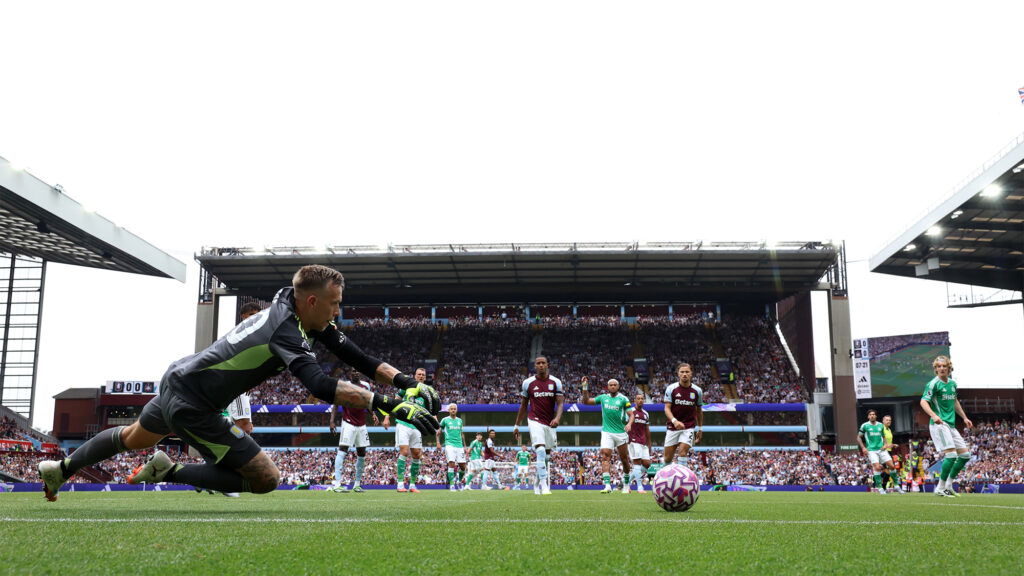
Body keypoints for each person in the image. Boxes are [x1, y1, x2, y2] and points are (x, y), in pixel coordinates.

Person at [37, 265, 440, 502]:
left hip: (179, 377)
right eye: (335, 302)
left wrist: (404, 383)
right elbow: (318, 384)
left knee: (134, 437)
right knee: (266, 480)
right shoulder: (287, 332)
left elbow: (355, 355)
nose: (340, 310)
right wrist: (387, 405)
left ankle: (61, 467)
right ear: (313, 302)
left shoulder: (291, 300)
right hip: (194, 403)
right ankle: (169, 471)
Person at [920, 355, 974, 497]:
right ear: (935, 369)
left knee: (965, 455)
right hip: (939, 424)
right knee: (951, 455)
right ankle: (939, 488)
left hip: (950, 425)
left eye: (944, 366)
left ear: (949, 368)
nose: (942, 368)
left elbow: (955, 401)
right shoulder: (933, 384)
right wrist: (933, 415)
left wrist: (964, 417)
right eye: (939, 366)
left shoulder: (952, 384)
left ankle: (949, 485)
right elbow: (923, 402)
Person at [512, 356, 564, 495]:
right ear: (535, 366)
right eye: (538, 363)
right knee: (540, 451)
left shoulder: (556, 382)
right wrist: (516, 425)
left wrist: (557, 418)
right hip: (534, 420)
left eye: (543, 363)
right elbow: (523, 406)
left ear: (548, 365)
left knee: (546, 457)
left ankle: (536, 482)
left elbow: (560, 403)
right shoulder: (528, 383)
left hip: (550, 423)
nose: (541, 365)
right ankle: (544, 485)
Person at [581, 376, 634, 494]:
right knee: (605, 457)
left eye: (615, 385)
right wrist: (585, 387)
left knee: (624, 460)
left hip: (621, 433)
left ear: (618, 387)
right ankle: (607, 486)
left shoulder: (623, 399)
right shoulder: (603, 398)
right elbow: (586, 401)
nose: (613, 386)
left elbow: (631, 414)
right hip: (607, 432)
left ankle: (626, 484)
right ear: (608, 387)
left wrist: (629, 424)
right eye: (611, 385)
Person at [383, 367, 431, 493]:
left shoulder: (426, 393)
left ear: (425, 377)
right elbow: (394, 402)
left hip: (417, 427)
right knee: (404, 452)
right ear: (415, 376)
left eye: (423, 374)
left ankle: (412, 485)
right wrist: (387, 417)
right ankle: (400, 484)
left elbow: (429, 412)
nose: (421, 376)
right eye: (419, 374)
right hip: (403, 424)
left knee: (417, 454)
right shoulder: (406, 388)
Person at [328, 372, 379, 492]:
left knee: (362, 453)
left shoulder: (366, 386)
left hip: (361, 424)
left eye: (357, 371)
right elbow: (336, 405)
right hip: (348, 423)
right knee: (343, 450)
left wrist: (373, 414)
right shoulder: (344, 386)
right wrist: (332, 421)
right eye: (353, 371)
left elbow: (368, 402)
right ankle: (337, 484)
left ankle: (357, 484)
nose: (355, 373)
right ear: (350, 374)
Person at [662, 363, 703, 469]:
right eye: (682, 372)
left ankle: (682, 480)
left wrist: (700, 427)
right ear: (678, 374)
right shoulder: (671, 389)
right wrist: (675, 421)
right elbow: (667, 408)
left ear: (691, 374)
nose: (684, 374)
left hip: (688, 426)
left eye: (687, 372)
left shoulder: (697, 391)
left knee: (682, 453)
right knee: (667, 459)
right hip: (673, 426)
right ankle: (668, 480)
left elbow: (699, 410)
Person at [857, 409, 903, 494]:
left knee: (892, 466)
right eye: (870, 414)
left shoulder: (880, 425)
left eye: (873, 414)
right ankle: (880, 487)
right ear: (868, 416)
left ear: (876, 416)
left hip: (882, 450)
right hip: (871, 450)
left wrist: (885, 444)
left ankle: (896, 486)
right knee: (877, 467)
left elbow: (883, 436)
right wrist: (863, 447)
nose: (872, 416)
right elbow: (859, 437)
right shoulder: (865, 425)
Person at [436, 403, 467, 492]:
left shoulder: (460, 421)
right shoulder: (445, 420)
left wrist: (465, 446)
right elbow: (438, 432)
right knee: (451, 464)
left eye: (454, 409)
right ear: (449, 410)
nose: (453, 410)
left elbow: (462, 434)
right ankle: (452, 485)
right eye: (451, 409)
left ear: (456, 410)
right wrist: (438, 442)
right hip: (449, 445)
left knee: (463, 467)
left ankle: (459, 482)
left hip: (459, 446)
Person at [627, 392, 652, 493]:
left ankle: (626, 482)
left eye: (642, 398)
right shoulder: (630, 412)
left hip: (643, 442)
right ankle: (640, 487)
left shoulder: (646, 414)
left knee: (647, 464)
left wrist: (649, 444)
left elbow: (647, 429)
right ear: (635, 401)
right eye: (638, 398)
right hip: (633, 441)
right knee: (637, 463)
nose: (640, 400)